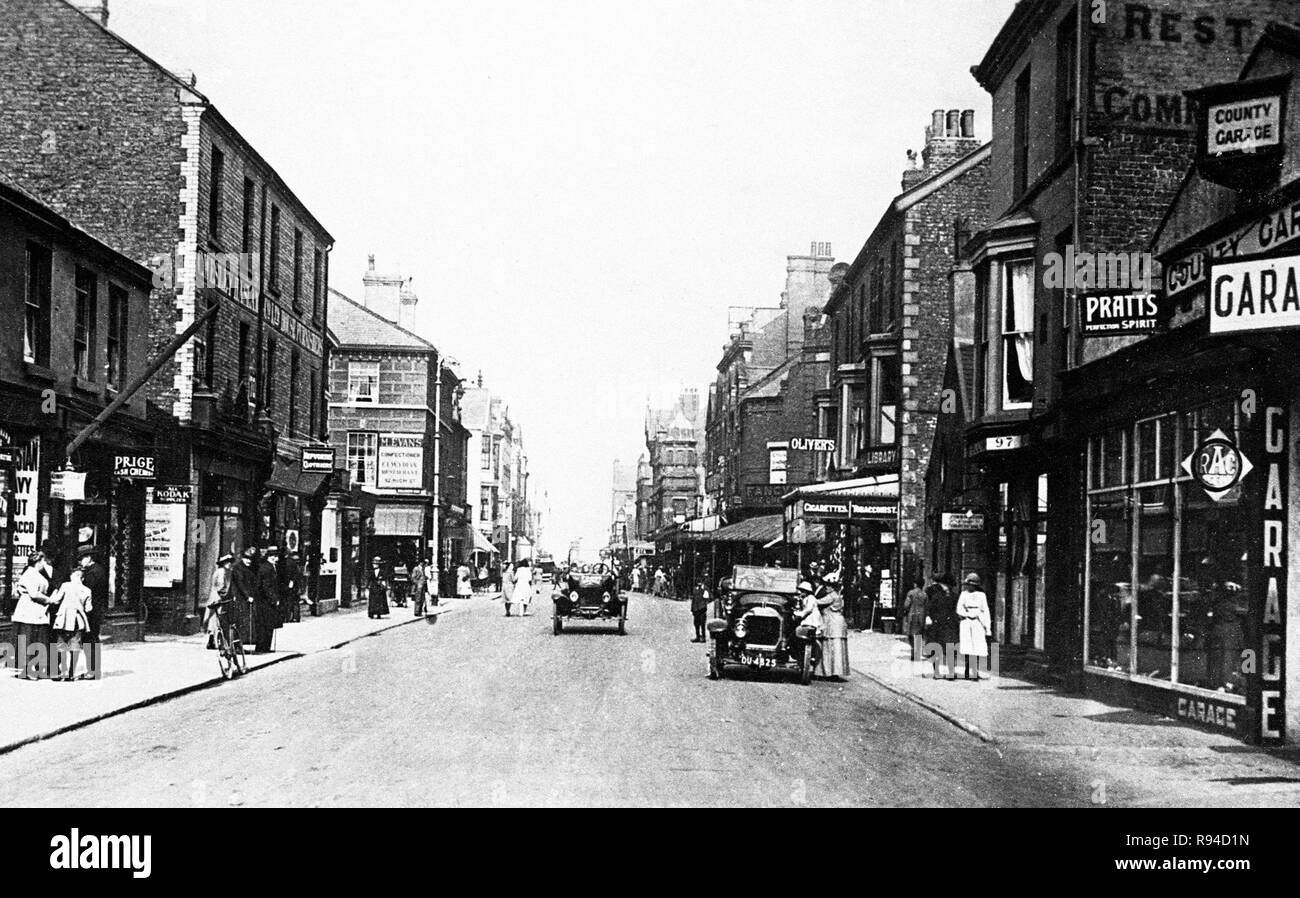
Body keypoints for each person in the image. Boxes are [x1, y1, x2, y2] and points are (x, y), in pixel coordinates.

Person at [12, 551, 54, 680]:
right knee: (29, 639)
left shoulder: (34, 573)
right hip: (30, 610)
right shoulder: (30, 574)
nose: (44, 564)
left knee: (36, 639)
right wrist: (50, 599)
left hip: (36, 611)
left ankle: (35, 668)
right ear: (38, 562)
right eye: (43, 561)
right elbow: (34, 594)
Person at [50, 568, 92, 681]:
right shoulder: (87, 590)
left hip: (63, 619)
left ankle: (60, 672)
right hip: (78, 621)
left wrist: (53, 595)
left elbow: (57, 600)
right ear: (82, 578)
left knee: (60, 644)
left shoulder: (65, 585)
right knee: (75, 646)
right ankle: (71, 674)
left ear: (71, 576)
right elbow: (88, 609)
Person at [77, 545, 109, 680]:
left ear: (89, 558)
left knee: (89, 639)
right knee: (91, 639)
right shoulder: (98, 570)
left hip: (91, 611)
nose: (80, 562)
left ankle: (93, 671)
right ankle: (93, 670)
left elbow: (86, 591)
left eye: (82, 558)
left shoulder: (93, 573)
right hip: (96, 610)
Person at [956, 573, 992, 680]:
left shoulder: (981, 595)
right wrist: (966, 614)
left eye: (972, 585)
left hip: (978, 621)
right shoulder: (963, 594)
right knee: (967, 646)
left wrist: (987, 628)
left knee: (977, 647)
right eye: (968, 584)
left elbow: (985, 611)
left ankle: (975, 671)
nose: (969, 587)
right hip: (967, 622)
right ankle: (967, 670)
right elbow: (959, 609)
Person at [924, 573, 958, 679]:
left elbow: (929, 610)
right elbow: (929, 610)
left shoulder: (949, 597)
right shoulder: (952, 596)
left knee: (947, 649)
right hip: (944, 626)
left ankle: (945, 672)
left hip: (943, 626)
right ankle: (941, 672)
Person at [814, 584, 850, 679]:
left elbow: (817, 602)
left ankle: (827, 672)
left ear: (832, 587)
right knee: (838, 649)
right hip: (838, 623)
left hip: (831, 623)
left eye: (828, 586)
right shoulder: (837, 596)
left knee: (828, 648)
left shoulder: (831, 596)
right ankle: (836, 672)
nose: (826, 588)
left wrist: (808, 597)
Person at [201, 553, 234, 650]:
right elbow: (220, 586)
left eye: (229, 562)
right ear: (223, 563)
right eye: (226, 562)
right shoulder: (222, 572)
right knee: (217, 618)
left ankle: (213, 639)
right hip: (218, 597)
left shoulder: (226, 571)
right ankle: (216, 641)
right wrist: (225, 595)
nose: (228, 564)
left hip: (217, 597)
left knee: (214, 619)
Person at [253, 547, 283, 652]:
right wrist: (274, 599)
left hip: (266, 601)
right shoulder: (266, 568)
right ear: (270, 557)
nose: (276, 558)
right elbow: (266, 586)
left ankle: (266, 646)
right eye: (274, 556)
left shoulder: (271, 567)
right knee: (264, 625)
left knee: (268, 624)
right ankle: (262, 647)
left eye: (276, 556)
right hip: (265, 601)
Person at [901, 576, 928, 653]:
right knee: (919, 634)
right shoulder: (924, 594)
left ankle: (913, 650)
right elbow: (927, 606)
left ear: (915, 584)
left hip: (912, 615)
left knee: (910, 634)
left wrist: (905, 611)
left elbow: (906, 605)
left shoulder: (911, 593)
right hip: (921, 616)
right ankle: (917, 652)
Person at [278, 547, 303, 624]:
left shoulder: (284, 562)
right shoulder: (293, 562)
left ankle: (287, 618)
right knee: (295, 601)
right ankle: (296, 617)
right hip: (294, 585)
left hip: (288, 585)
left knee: (287, 602)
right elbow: (297, 574)